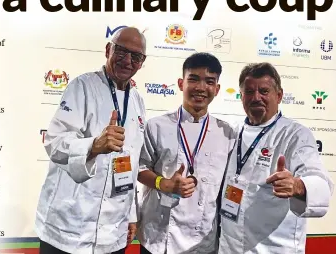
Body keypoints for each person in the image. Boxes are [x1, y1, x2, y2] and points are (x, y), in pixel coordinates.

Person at [35, 27, 147, 254]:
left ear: (142, 62)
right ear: (108, 50)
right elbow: (54, 142)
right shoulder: (82, 86)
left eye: (135, 56)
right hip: (68, 229)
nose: (127, 61)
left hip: (113, 234)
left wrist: (131, 216)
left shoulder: (138, 101)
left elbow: (132, 164)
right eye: (122, 51)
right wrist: (94, 146)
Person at [218, 62, 334, 254]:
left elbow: (319, 181)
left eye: (264, 91)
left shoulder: (295, 135)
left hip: (273, 248)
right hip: (229, 247)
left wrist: (297, 185)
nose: (256, 97)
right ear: (241, 97)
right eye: (249, 92)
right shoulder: (234, 131)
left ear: (279, 96)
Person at [137, 52, 236, 254]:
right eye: (194, 79)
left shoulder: (228, 134)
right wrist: (162, 183)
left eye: (209, 81)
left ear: (217, 89)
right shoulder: (156, 126)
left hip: (203, 240)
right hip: (159, 236)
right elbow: (138, 169)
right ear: (181, 83)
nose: (201, 88)